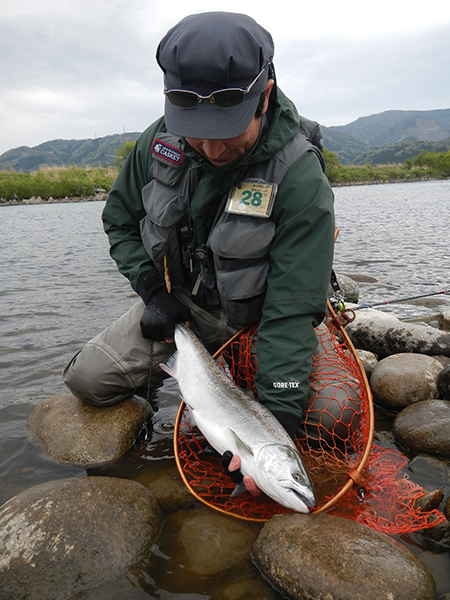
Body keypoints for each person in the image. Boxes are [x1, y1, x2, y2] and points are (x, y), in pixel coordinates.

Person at [63, 12, 335, 493]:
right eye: (195, 130)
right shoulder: (157, 144)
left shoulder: (300, 176)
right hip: (181, 310)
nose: (210, 148)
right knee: (87, 380)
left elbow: (291, 311)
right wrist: (150, 290)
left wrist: (278, 427)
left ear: (264, 95)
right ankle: (173, 386)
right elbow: (120, 222)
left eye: (227, 130)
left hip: (260, 320)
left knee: (334, 416)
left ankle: (236, 388)